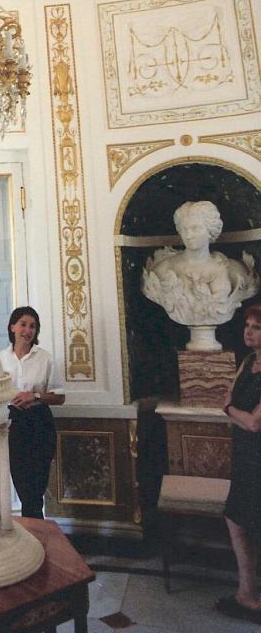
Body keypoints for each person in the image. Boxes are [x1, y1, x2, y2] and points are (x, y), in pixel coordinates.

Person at [142, 200, 257, 349]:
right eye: (184, 229)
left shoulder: (235, 270)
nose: (188, 235)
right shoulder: (163, 270)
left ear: (210, 229)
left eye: (195, 228)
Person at [216, 303, 261, 623]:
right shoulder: (247, 361)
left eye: (257, 327)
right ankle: (246, 592)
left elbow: (254, 423)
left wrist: (232, 411)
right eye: (248, 325)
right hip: (245, 455)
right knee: (237, 520)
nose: (249, 331)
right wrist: (235, 412)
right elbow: (228, 398)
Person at [0, 306, 65, 518]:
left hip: (39, 422)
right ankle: (33, 532)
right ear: (12, 327)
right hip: (12, 423)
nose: (28, 330)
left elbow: (60, 397)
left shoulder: (45, 358)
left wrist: (34, 396)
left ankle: (34, 533)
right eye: (23, 324)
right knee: (20, 479)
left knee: (36, 486)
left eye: (33, 326)